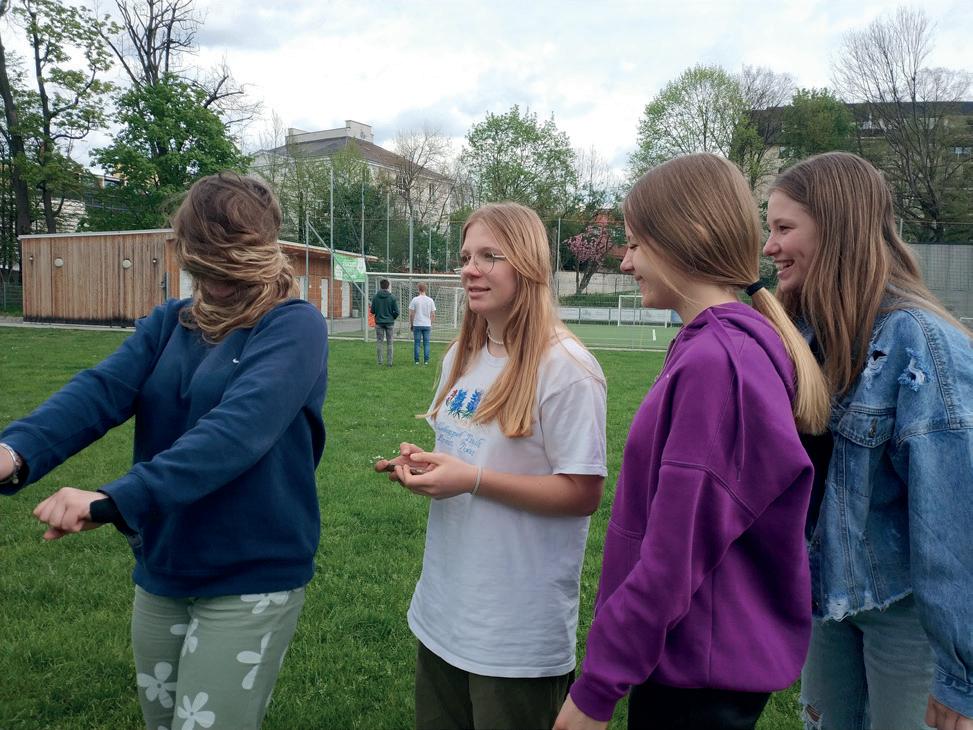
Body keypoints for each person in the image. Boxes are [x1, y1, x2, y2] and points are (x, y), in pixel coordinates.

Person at [0, 172, 328, 730]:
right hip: (166, 564)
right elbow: (99, 392)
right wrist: (14, 451)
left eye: (229, 269)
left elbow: (237, 432)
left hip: (252, 570)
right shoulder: (170, 324)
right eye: (203, 267)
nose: (214, 285)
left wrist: (113, 499)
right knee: (162, 721)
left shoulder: (294, 327)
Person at [554, 153, 831, 730]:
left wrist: (596, 690)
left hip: (699, 681)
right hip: (687, 663)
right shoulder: (709, 346)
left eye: (636, 243)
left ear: (692, 236)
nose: (625, 261)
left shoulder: (719, 362)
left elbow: (672, 557)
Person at [374, 201, 608, 730]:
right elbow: (467, 460)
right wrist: (424, 466)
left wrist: (473, 480)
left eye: (489, 256)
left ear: (527, 263)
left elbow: (583, 493)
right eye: (465, 257)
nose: (469, 269)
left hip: (514, 633)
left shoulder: (568, 368)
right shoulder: (461, 355)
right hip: (443, 611)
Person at [763, 152, 973, 730]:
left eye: (784, 228)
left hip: (909, 616)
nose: (769, 246)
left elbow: (955, 523)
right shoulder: (807, 333)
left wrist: (962, 676)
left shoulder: (922, 344)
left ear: (836, 230)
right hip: (828, 595)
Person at [371, 278, 400, 366]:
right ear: (388, 286)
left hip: (379, 322)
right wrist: (392, 317)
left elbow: (372, 311)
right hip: (389, 323)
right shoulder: (392, 297)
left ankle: (380, 362)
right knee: (390, 342)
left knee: (379, 342)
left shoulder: (375, 297)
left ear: (380, 286)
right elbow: (397, 312)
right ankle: (389, 362)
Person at [409, 282, 437, 365]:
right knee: (426, 343)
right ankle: (426, 361)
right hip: (427, 324)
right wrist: (430, 323)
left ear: (418, 289)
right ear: (426, 289)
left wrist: (412, 324)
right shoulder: (430, 300)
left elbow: (411, 314)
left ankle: (417, 361)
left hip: (417, 324)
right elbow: (433, 314)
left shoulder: (415, 299)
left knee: (417, 343)